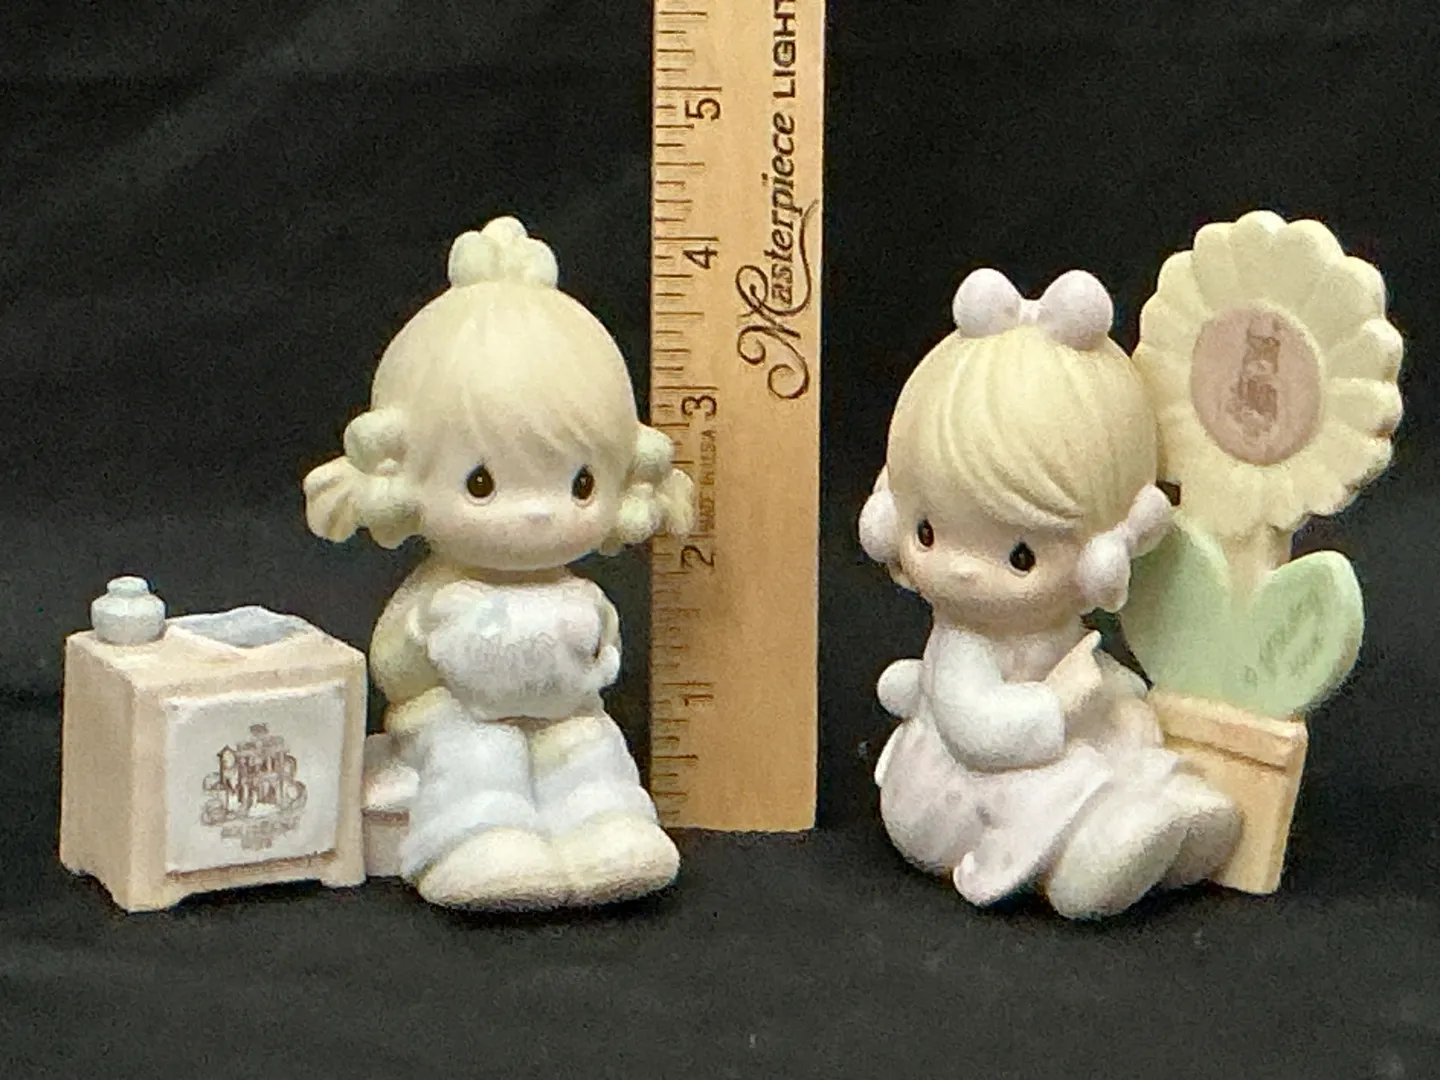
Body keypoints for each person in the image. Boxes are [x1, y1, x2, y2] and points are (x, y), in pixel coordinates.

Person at [304, 217, 694, 910]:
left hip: (565, 713)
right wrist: (429, 647)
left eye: (580, 485)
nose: (539, 513)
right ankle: (474, 841)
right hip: (454, 720)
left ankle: (610, 828)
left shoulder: (574, 588)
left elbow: (601, 655)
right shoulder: (440, 592)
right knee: (479, 751)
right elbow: (395, 666)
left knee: (591, 743)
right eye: (481, 484)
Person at [859, 268, 1240, 919]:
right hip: (955, 784)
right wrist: (1059, 706)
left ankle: (1167, 819)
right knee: (1049, 784)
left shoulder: (1053, 625)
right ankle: (1083, 869)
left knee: (1123, 743)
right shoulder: (964, 646)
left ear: (1104, 550)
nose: (963, 571)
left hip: (1038, 740)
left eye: (1020, 556)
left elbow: (1085, 672)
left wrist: (1116, 698)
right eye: (928, 532)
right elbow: (977, 731)